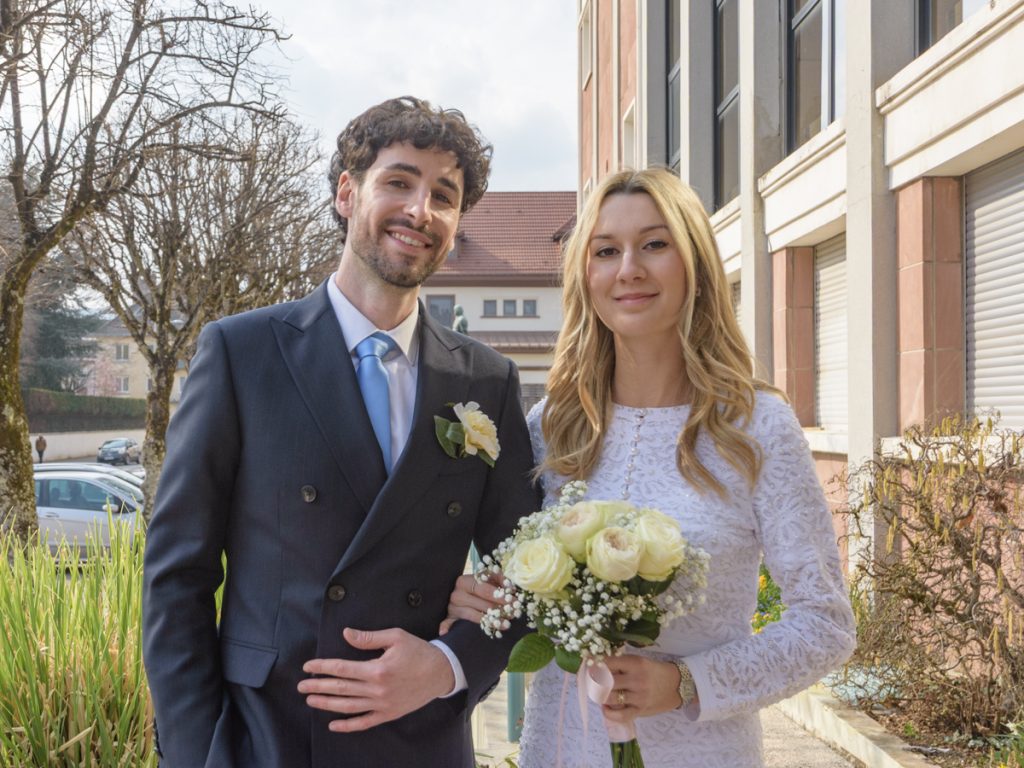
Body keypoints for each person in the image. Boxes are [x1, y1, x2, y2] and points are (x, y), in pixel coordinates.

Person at [142, 96, 539, 768]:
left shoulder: (486, 380)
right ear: (347, 192)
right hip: (267, 737)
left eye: (444, 195)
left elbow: (528, 571)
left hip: (424, 740)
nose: (420, 211)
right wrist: (196, 753)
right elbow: (178, 576)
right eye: (399, 182)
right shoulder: (242, 353)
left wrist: (447, 666)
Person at [444, 168, 856, 767]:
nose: (628, 269)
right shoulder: (553, 424)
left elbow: (825, 625)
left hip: (703, 752)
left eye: (655, 245)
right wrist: (482, 600)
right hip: (558, 747)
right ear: (585, 276)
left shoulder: (755, 427)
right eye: (606, 251)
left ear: (695, 263)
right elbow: (519, 591)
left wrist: (685, 683)